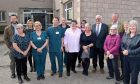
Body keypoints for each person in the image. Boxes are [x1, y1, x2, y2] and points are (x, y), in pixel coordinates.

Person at [121, 20, 140, 84]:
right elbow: (122, 44)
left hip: (135, 59)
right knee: (126, 75)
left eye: (134, 26)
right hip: (125, 58)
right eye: (130, 26)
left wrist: (129, 52)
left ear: (137, 27)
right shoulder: (126, 34)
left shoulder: (139, 36)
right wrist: (124, 50)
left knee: (134, 76)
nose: (132, 27)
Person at [4, 14, 18, 78]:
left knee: (20, 60)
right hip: (12, 47)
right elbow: (5, 38)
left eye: (14, 18)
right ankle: (13, 73)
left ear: (16, 19)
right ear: (10, 19)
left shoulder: (20, 26)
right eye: (12, 18)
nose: (13, 20)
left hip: (20, 47)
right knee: (13, 61)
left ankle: (20, 71)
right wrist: (9, 46)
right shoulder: (7, 28)